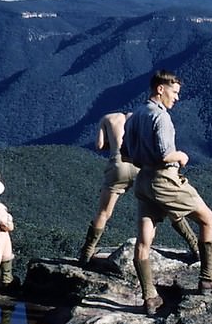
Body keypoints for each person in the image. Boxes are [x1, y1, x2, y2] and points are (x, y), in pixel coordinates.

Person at [121, 69, 212, 315]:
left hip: (143, 181)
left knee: (144, 241)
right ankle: (206, 278)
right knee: (209, 219)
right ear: (160, 89)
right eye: (174, 92)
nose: (177, 97)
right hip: (165, 180)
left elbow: (124, 153)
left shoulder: (134, 115)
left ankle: (149, 297)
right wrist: (181, 156)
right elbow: (165, 154)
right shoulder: (161, 118)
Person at [78, 111, 199, 264]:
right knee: (169, 205)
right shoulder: (137, 118)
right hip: (140, 163)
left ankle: (87, 253)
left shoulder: (107, 118)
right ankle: (195, 247)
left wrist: (113, 142)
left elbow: (99, 145)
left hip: (118, 165)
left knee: (104, 212)